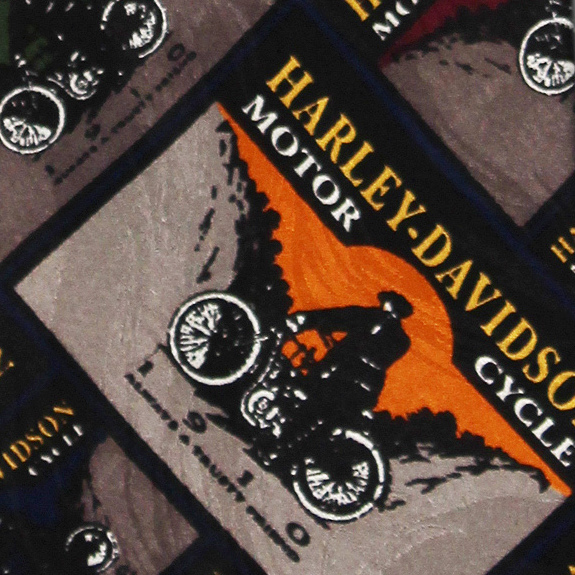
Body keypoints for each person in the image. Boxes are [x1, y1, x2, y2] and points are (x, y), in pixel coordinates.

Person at [283, 291, 413, 424]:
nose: (381, 306)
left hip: (338, 374)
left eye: (384, 304)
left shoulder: (373, 318)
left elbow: (337, 317)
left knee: (305, 401)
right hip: (367, 386)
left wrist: (305, 320)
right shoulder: (403, 341)